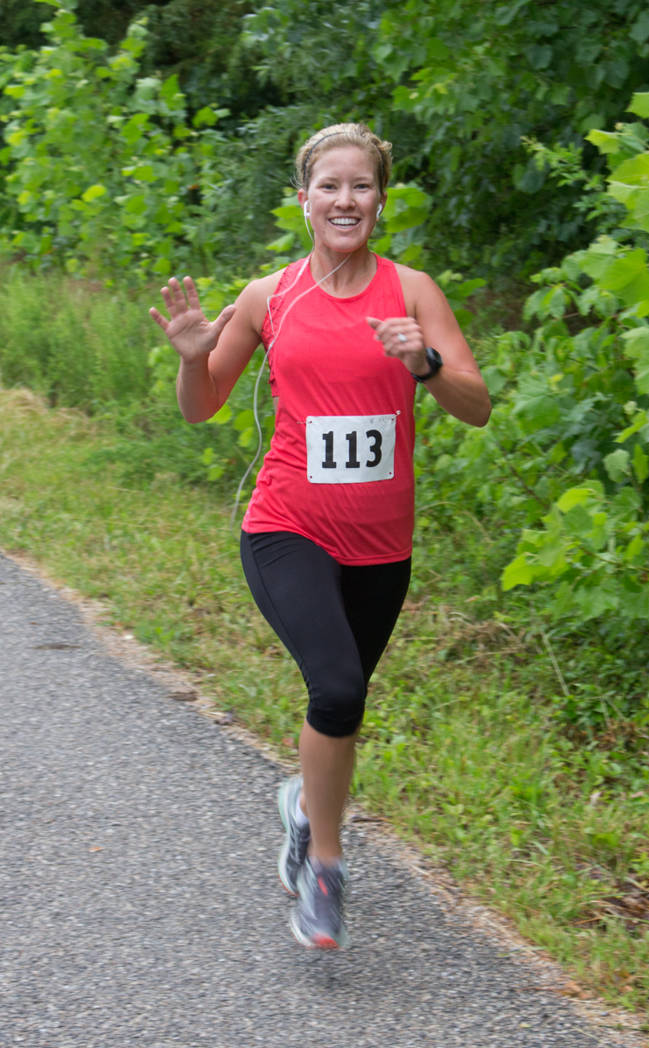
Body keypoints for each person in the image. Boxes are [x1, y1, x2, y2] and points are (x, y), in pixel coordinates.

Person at [149, 122, 491, 949]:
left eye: (361, 185)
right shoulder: (270, 296)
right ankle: (326, 870)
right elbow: (202, 406)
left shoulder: (413, 292)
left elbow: (476, 406)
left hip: (382, 544)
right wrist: (193, 357)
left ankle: (306, 802)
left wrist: (426, 365)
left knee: (344, 704)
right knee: (336, 690)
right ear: (303, 200)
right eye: (329, 186)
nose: (346, 200)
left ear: (381, 199)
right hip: (287, 526)